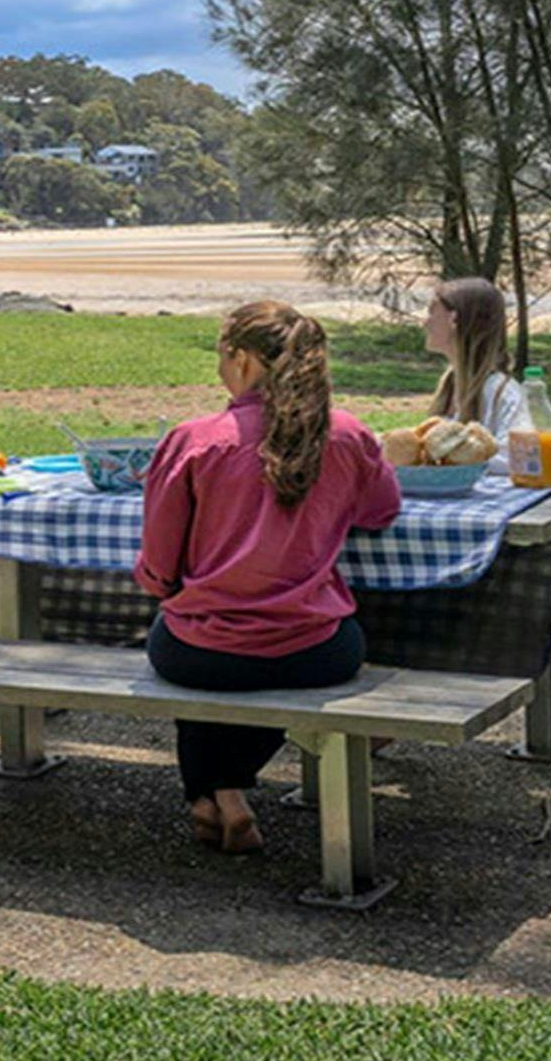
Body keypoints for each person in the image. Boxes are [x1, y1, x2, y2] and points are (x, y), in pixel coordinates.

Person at [134, 300, 402, 854]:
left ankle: (215, 797)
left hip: (202, 648)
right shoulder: (348, 435)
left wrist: (172, 592)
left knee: (204, 654)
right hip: (316, 647)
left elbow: (159, 568)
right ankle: (222, 796)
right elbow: (381, 510)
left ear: (244, 360)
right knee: (266, 667)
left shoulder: (194, 439)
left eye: (221, 355)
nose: (218, 368)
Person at [423, 277, 527, 472]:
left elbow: (518, 457)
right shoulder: (450, 384)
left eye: (432, 313)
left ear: (454, 320)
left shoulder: (502, 392)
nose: (425, 323)